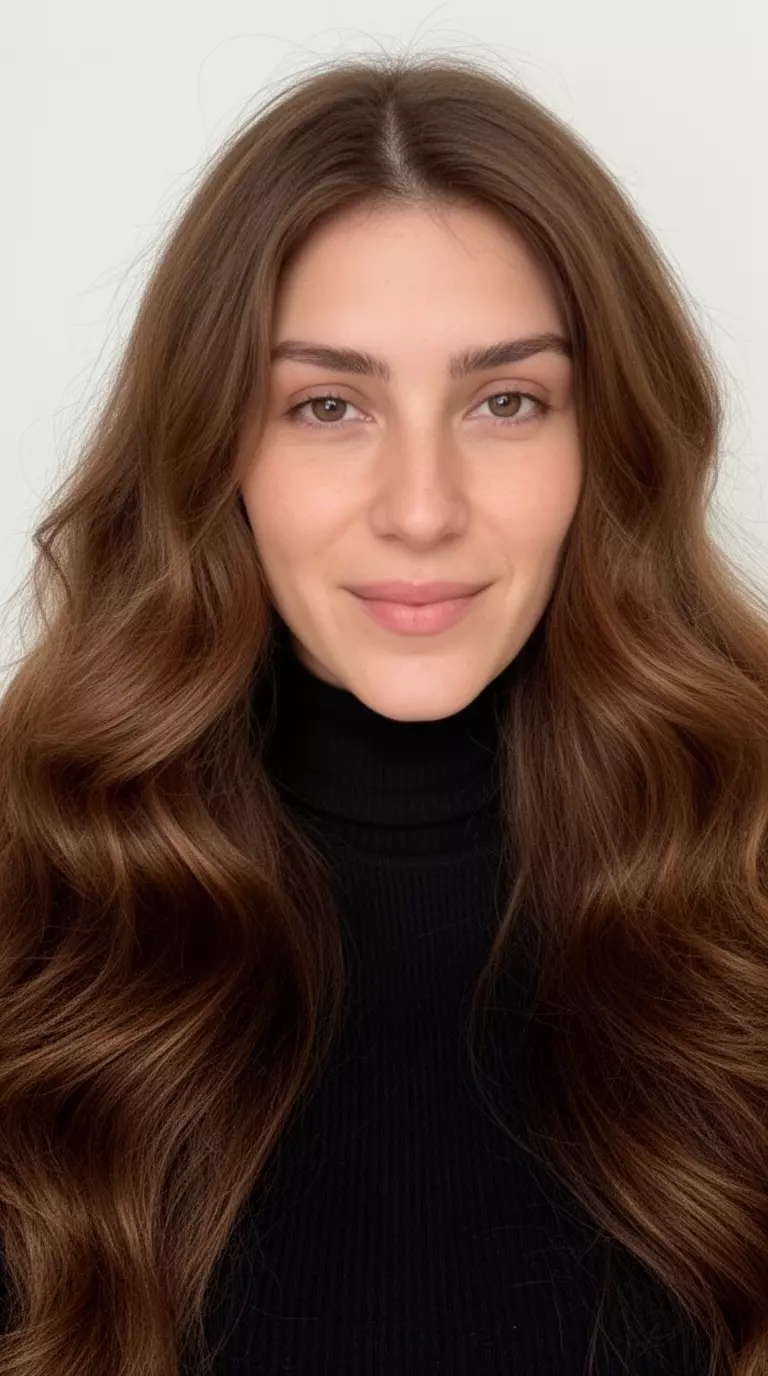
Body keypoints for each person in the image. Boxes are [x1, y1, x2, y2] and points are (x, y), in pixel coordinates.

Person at [0, 49, 765, 1376]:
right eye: (328, 406)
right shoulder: (35, 918)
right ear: (210, 449)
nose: (422, 507)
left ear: (612, 444)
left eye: (508, 401)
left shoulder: (743, 884)